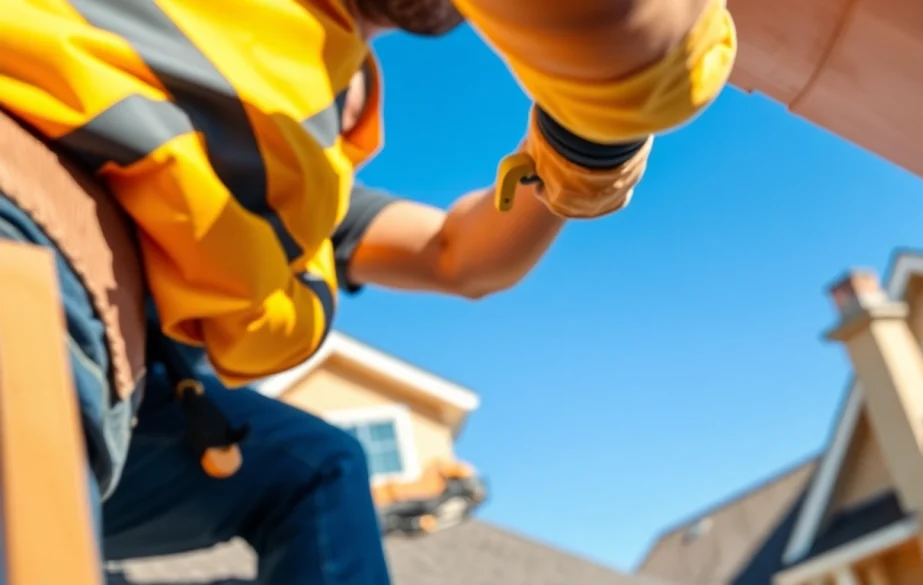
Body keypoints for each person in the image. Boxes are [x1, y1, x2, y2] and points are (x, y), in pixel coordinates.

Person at [0, 0, 737, 583]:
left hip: (109, 382)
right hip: (22, 227)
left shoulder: (301, 207)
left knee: (319, 465)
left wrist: (582, 144)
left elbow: (461, 255)